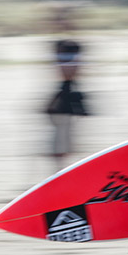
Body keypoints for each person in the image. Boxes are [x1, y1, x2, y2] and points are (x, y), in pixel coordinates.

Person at [45, 38, 88, 171]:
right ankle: (59, 172)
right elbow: (67, 75)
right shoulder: (67, 67)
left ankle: (60, 170)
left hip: (64, 102)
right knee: (62, 141)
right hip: (63, 103)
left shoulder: (65, 68)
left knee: (64, 141)